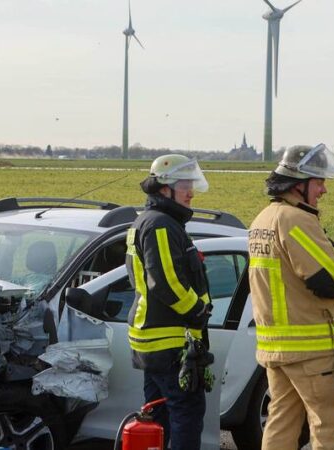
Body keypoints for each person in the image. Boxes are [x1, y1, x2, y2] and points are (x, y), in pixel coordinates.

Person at [248, 144, 334, 450]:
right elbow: (328, 280)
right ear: (298, 184)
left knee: (281, 422)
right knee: (330, 426)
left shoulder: (262, 219)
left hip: (276, 349)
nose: (324, 189)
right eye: (319, 182)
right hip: (311, 350)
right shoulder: (295, 219)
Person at [125, 154, 212, 450]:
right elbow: (165, 281)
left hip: (156, 339)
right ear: (165, 189)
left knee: (157, 418)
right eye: (184, 185)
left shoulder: (153, 221)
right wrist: (197, 311)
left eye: (191, 184)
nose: (191, 192)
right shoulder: (160, 225)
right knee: (186, 412)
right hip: (168, 342)